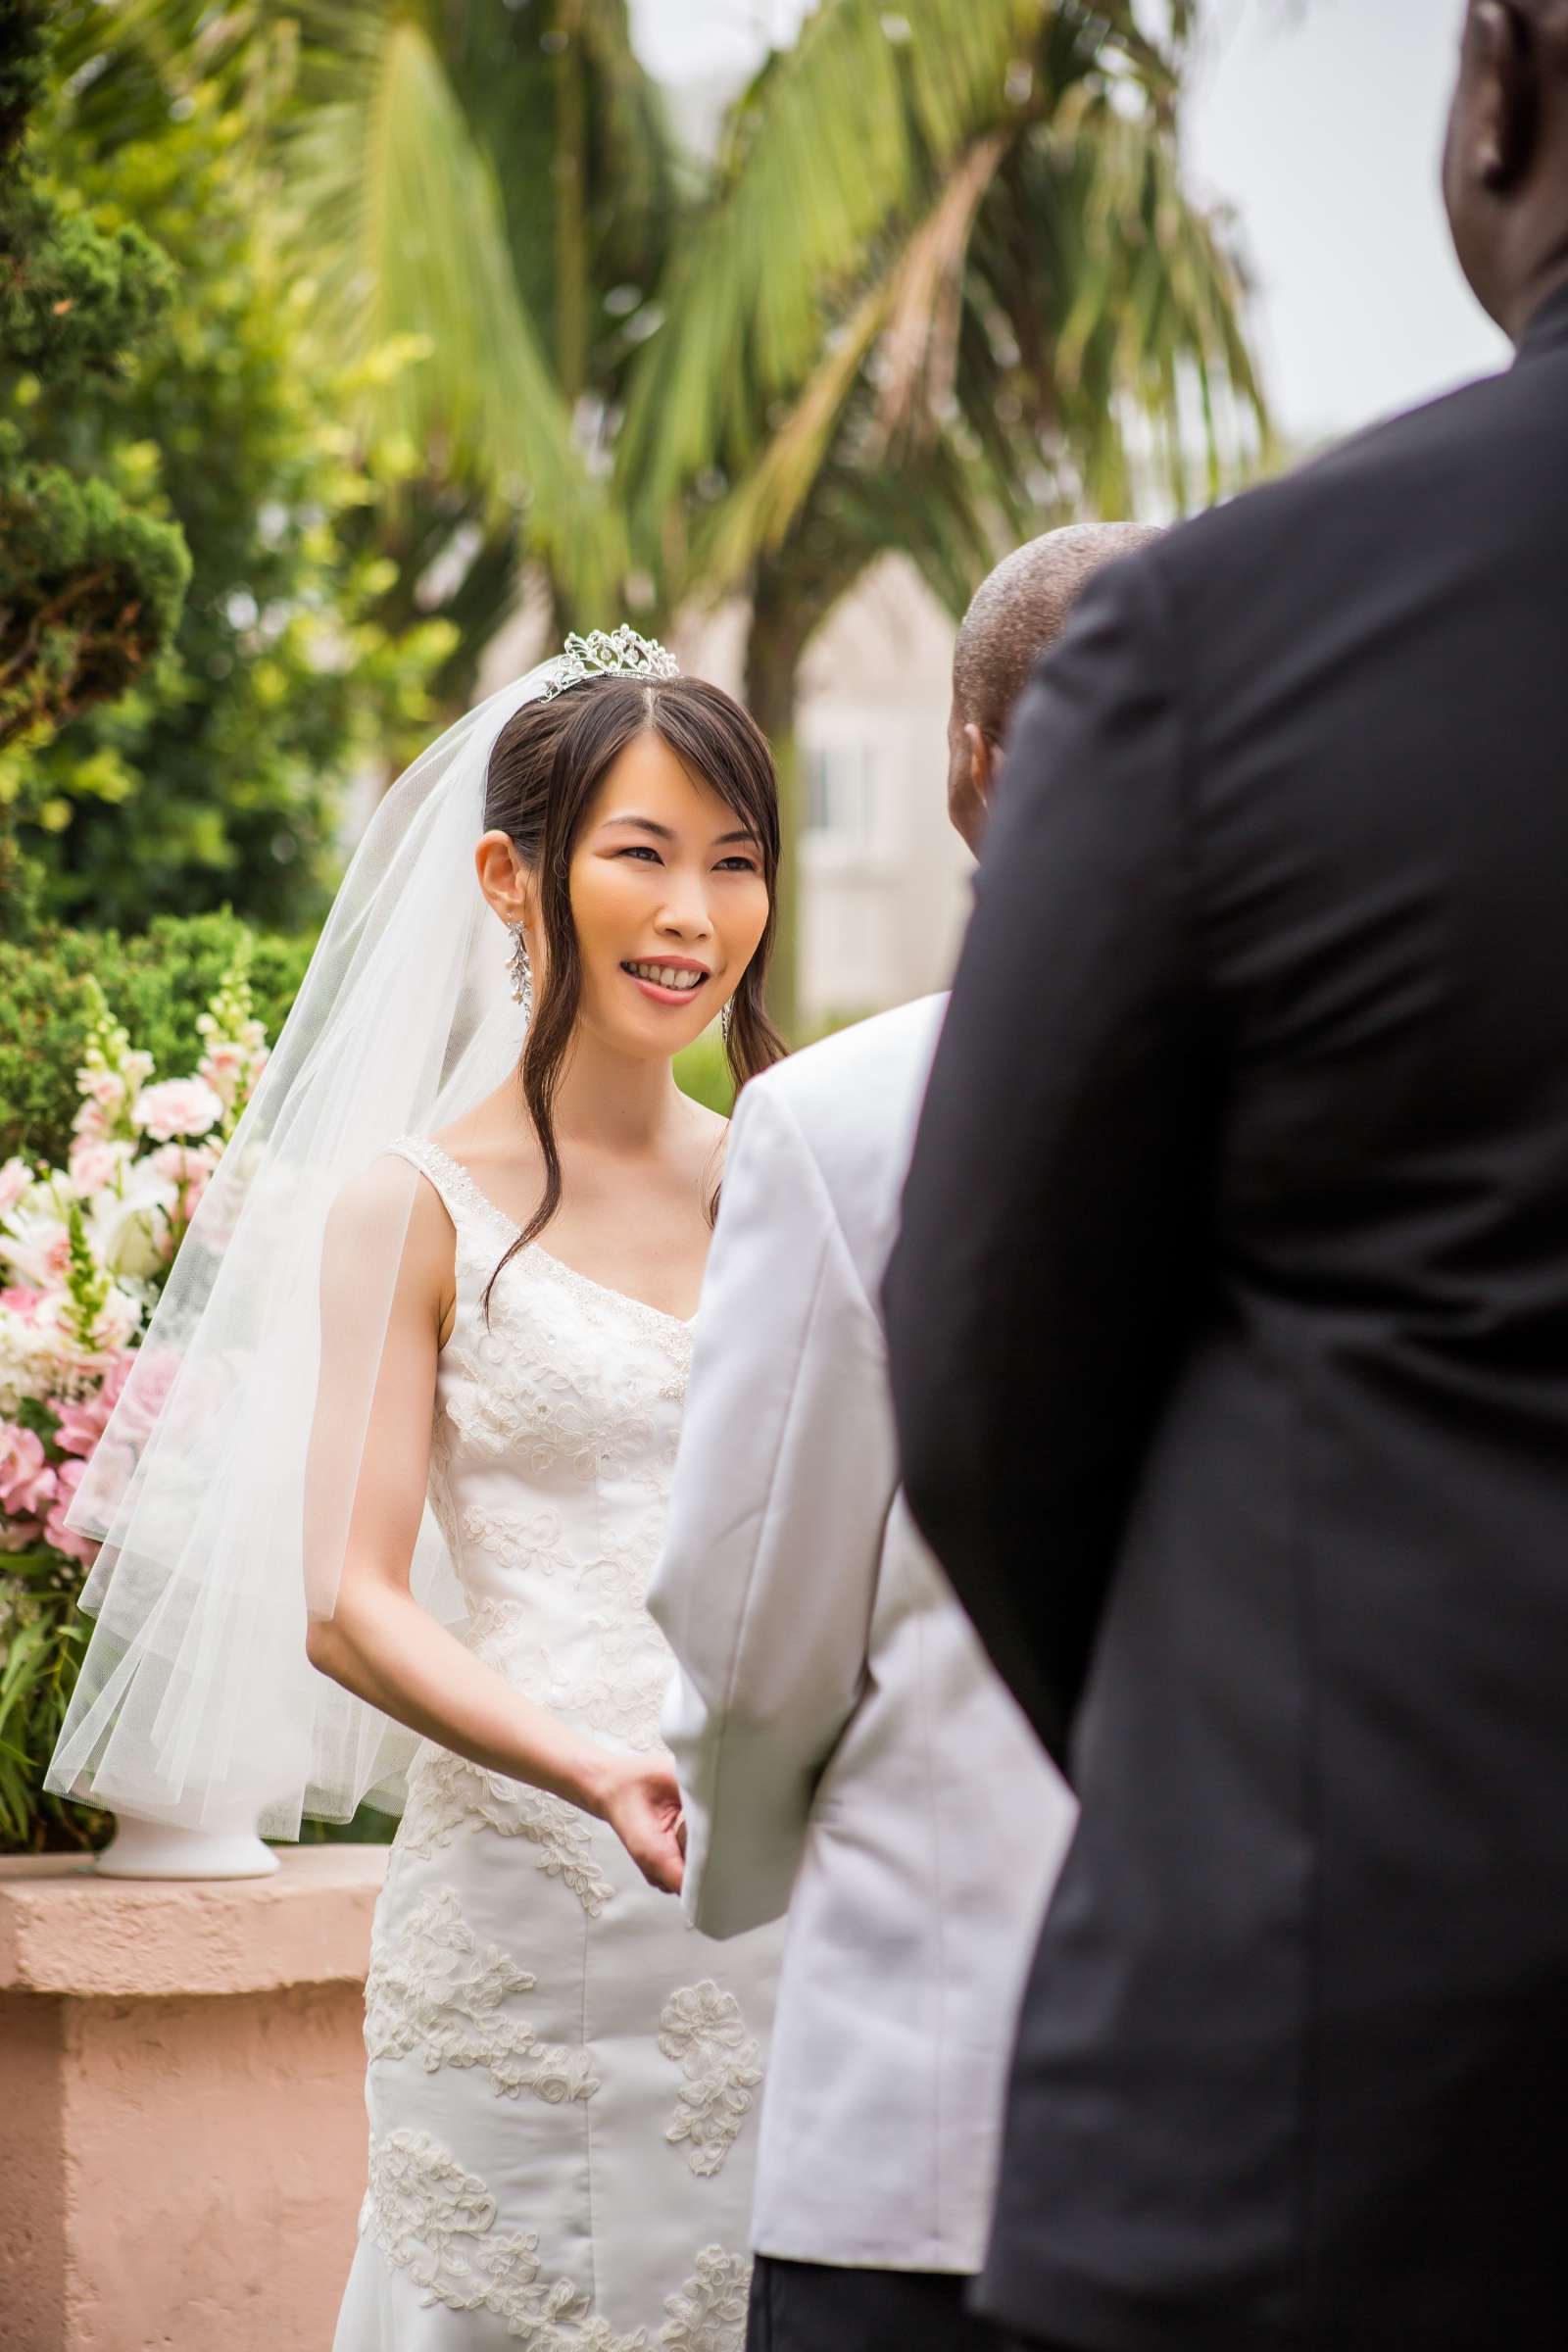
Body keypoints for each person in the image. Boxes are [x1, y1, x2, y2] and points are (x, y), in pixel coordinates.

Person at [884, 9, 1568, 2348]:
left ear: (1498, 85)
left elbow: (981, 1386)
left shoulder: (1225, 638)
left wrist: (1256, 1793)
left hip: (1331, 2124)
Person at [50, 631, 785, 2349]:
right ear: (508, 878)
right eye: (645, 854)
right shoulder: (411, 1207)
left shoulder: (784, 1176)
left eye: (735, 864)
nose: (694, 913)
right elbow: (345, 1602)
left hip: (759, 1911)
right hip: (522, 1912)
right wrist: (589, 1763)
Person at [646, 526, 1155, 2352]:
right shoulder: (1404, 1112)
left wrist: (737, 1859)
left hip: (935, 2111)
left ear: (969, 771)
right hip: (1304, 2129)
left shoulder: (840, 1125)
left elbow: (751, 1620)